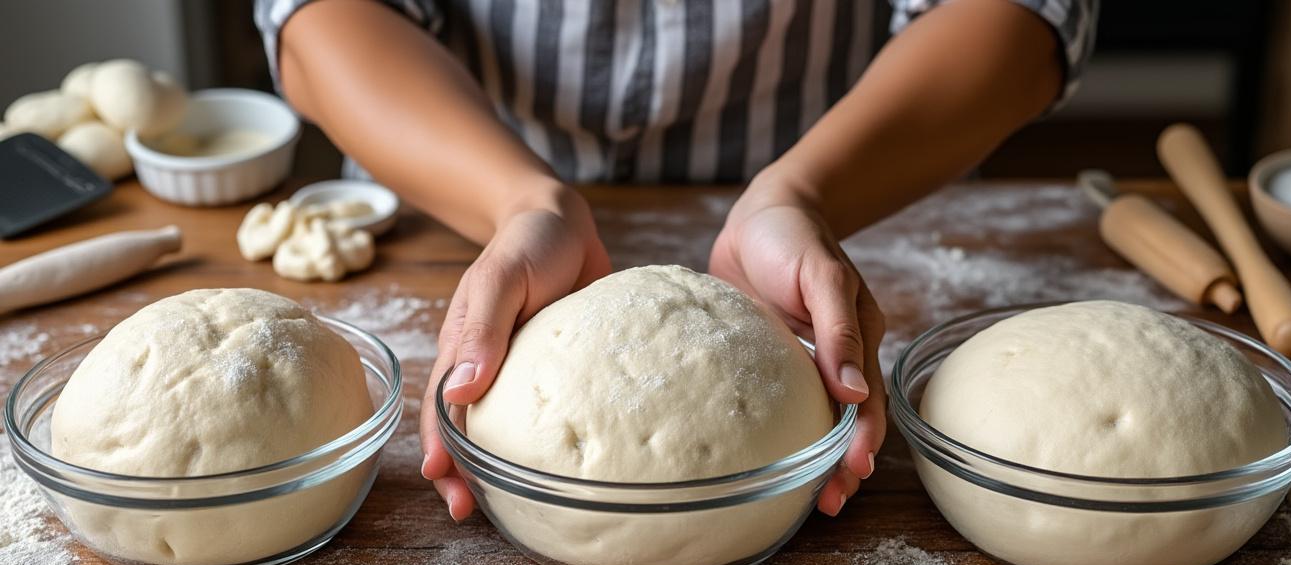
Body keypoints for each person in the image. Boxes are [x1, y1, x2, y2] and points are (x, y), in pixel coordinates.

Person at [255, 0, 1097, 520]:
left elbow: (1024, 21)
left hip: (852, 166)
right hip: (450, 179)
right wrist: (521, 202)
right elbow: (319, 19)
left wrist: (801, 195)